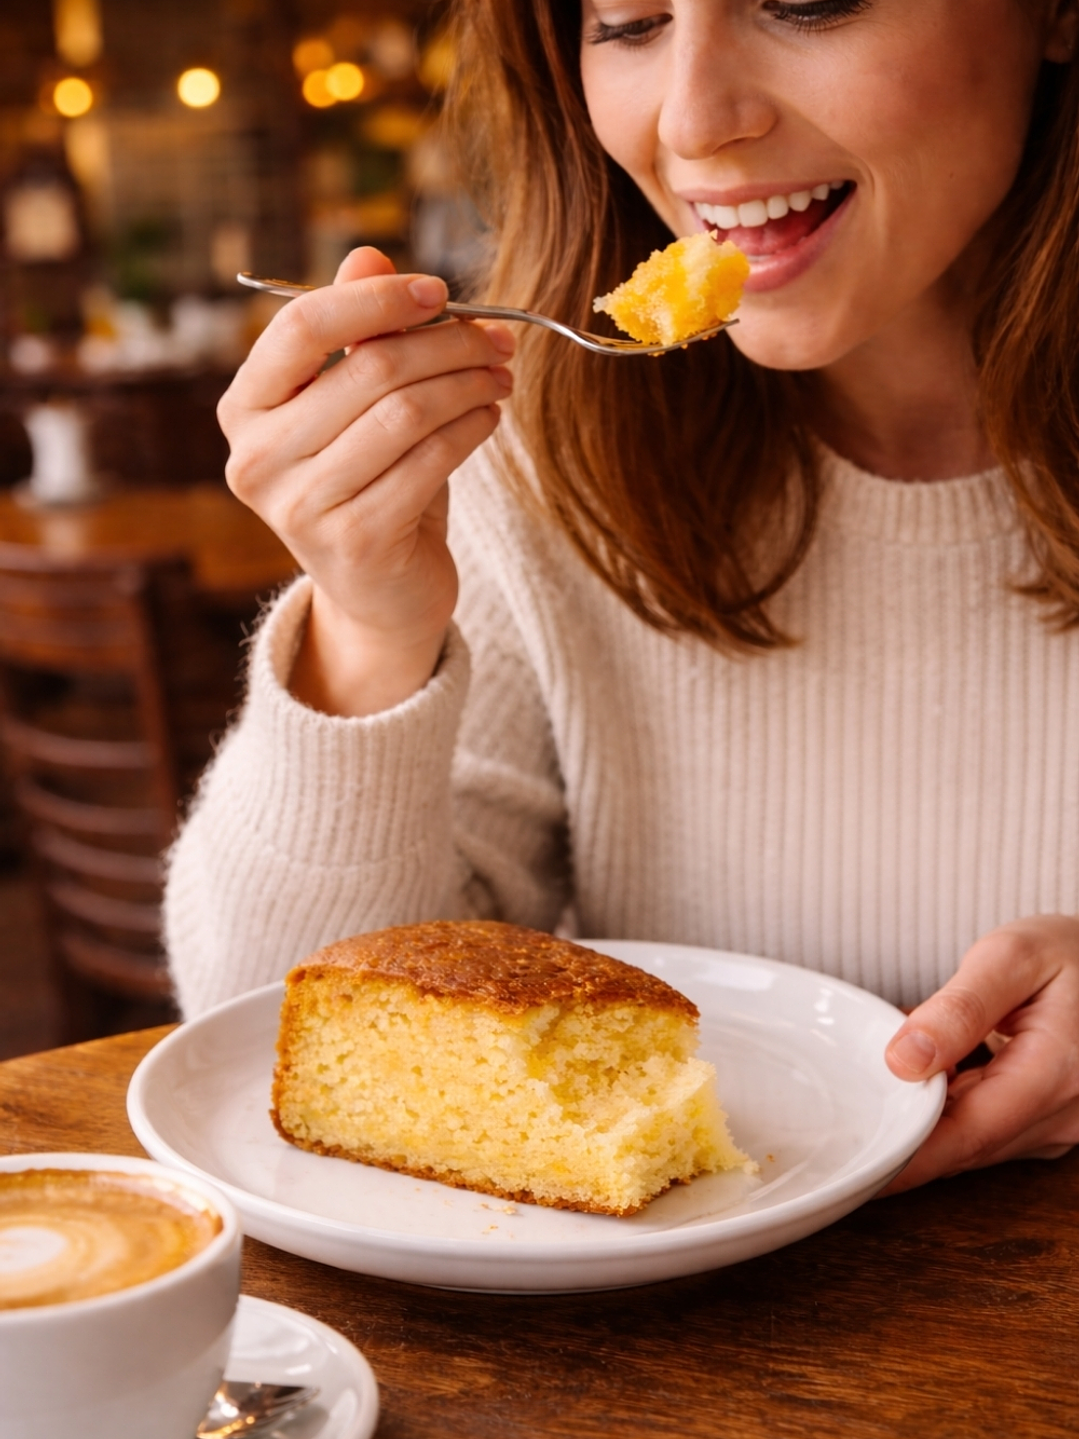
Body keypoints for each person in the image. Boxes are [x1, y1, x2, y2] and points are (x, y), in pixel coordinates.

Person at [166, 0, 1079, 1191]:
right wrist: (369, 622)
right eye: (631, 22)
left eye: (803, 3)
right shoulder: (526, 467)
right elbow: (273, 1044)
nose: (694, 121)